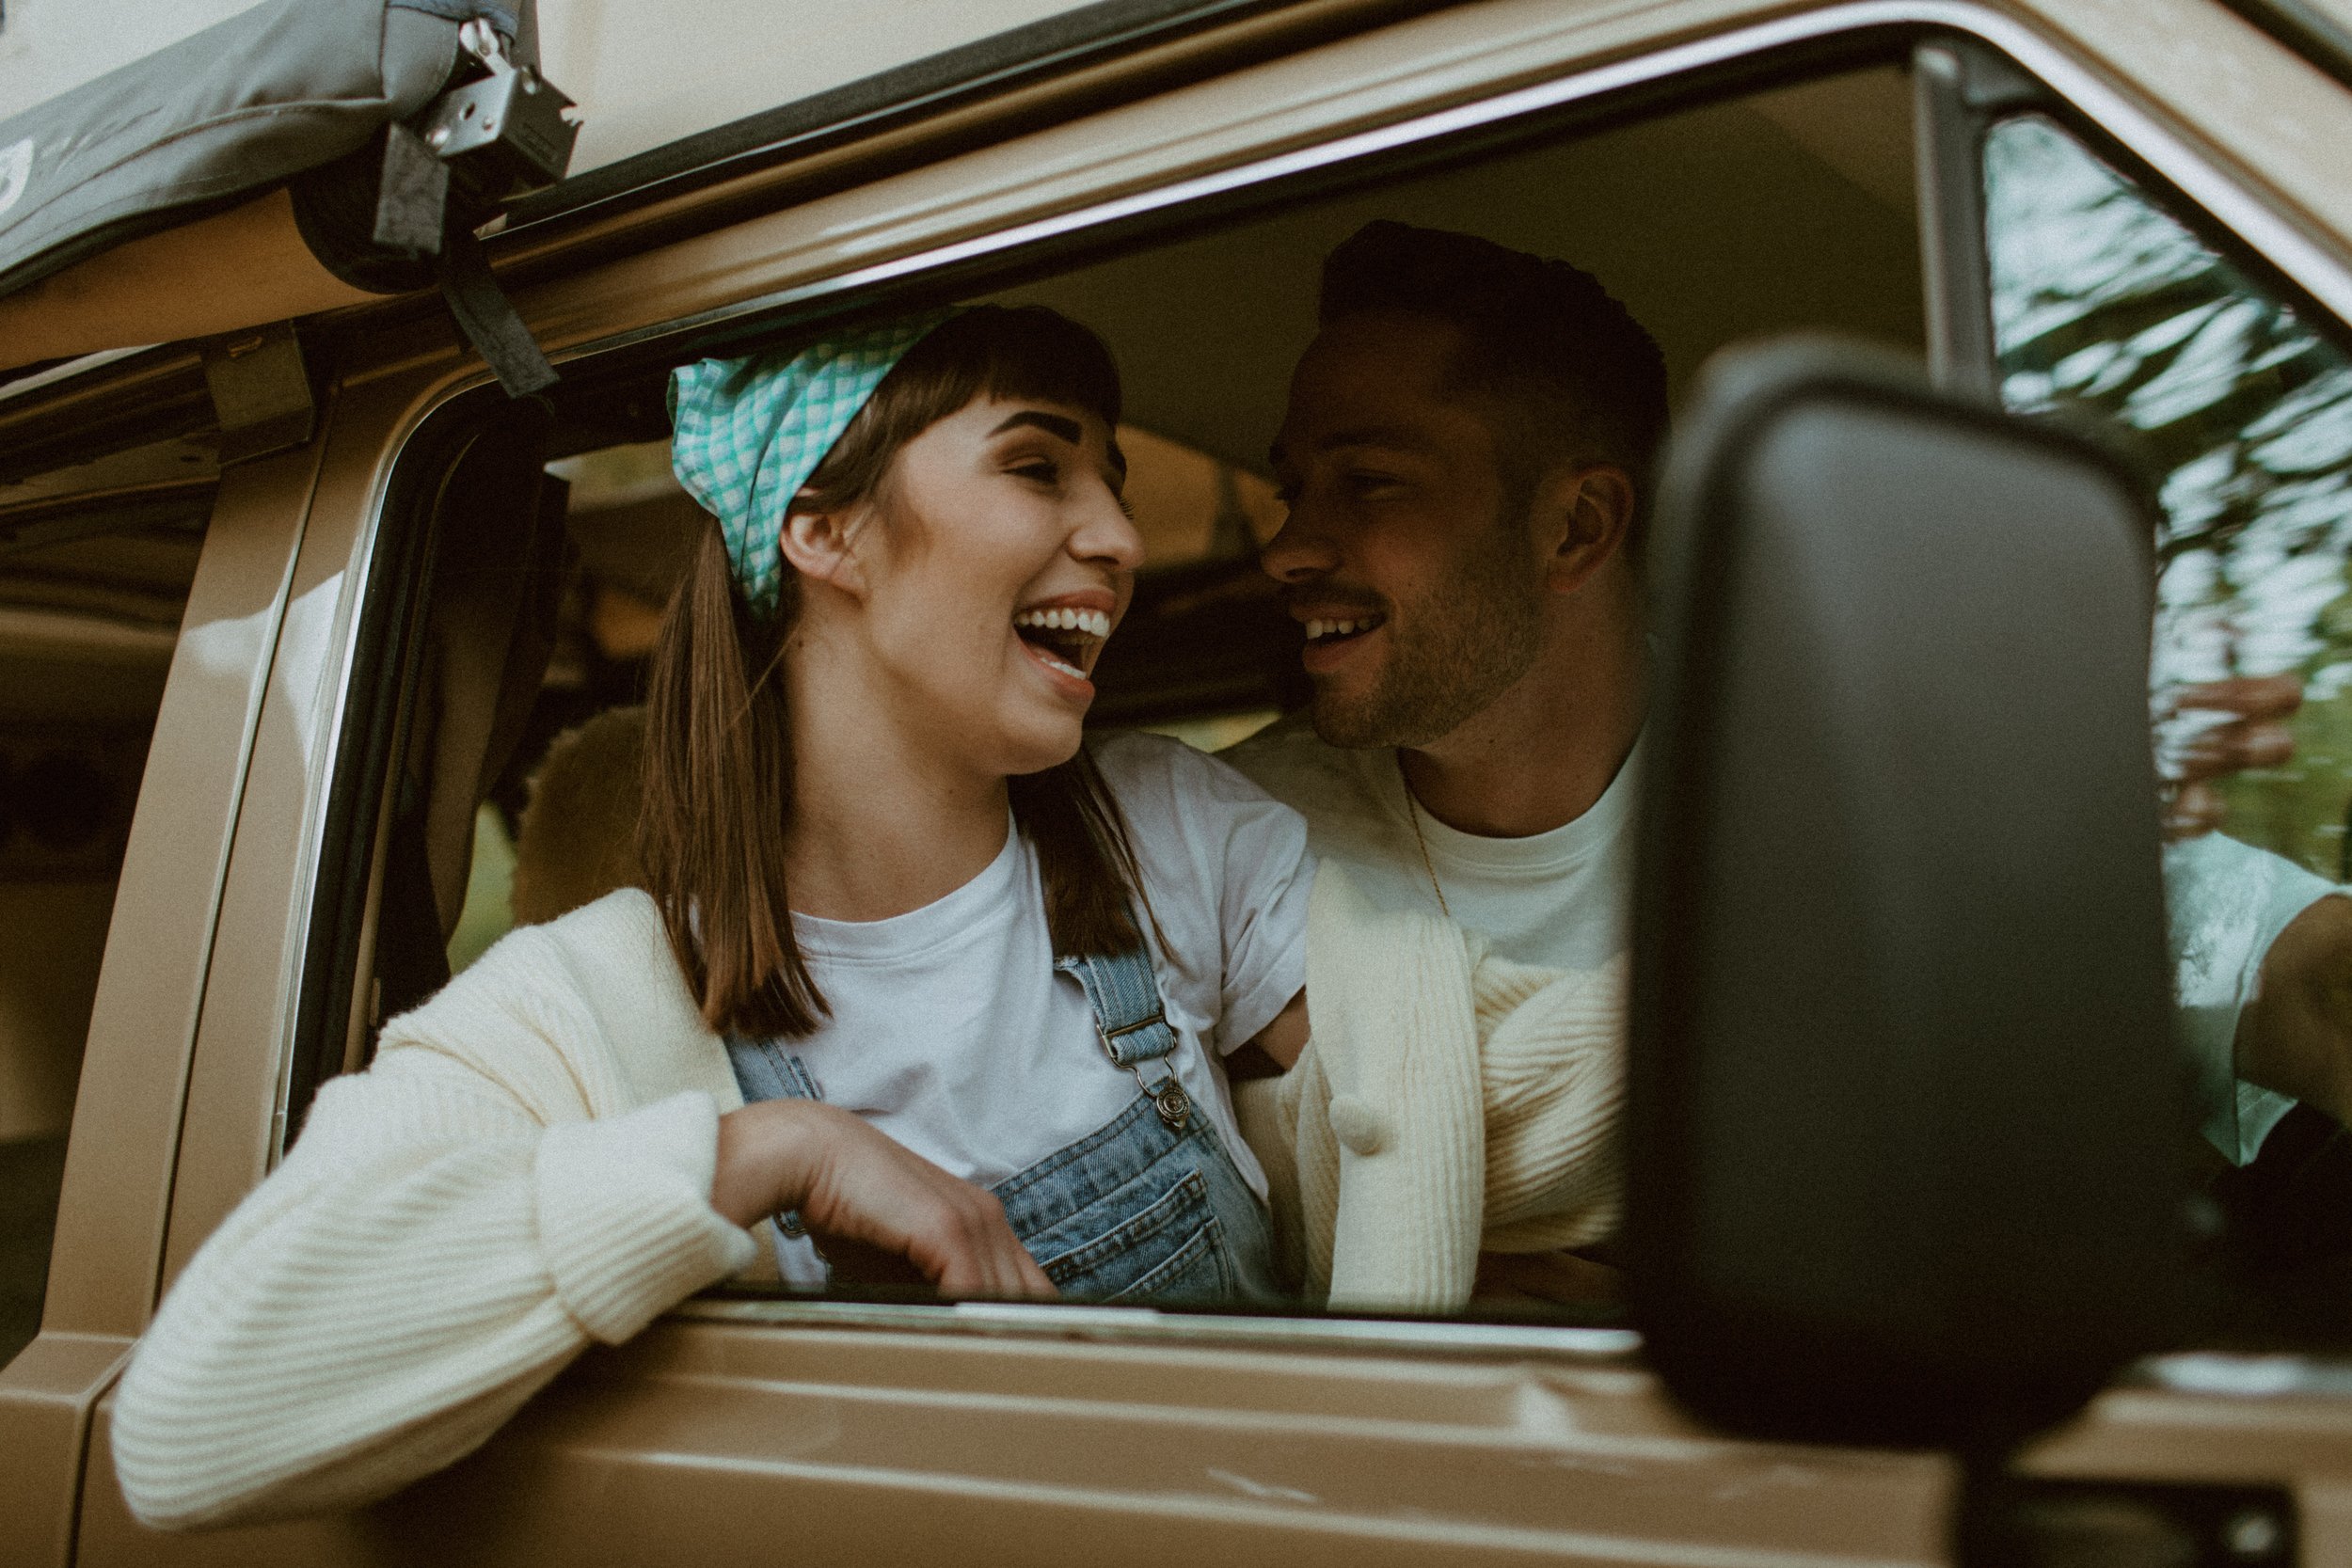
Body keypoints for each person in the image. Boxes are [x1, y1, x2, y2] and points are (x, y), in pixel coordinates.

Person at [112, 305, 1313, 1528]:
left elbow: (1457, 1102)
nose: (1117, 536)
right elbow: (183, 1429)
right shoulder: (580, 1010)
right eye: (1036, 464)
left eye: (1110, 483)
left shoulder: (1168, 835)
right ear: (824, 526)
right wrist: (762, 1153)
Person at [1224, 219, 2352, 1192]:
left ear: (1574, 529)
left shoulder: (1865, 788)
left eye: (1367, 482)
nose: (1286, 548)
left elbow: (2297, 978)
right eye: (1292, 488)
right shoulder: (1228, 838)